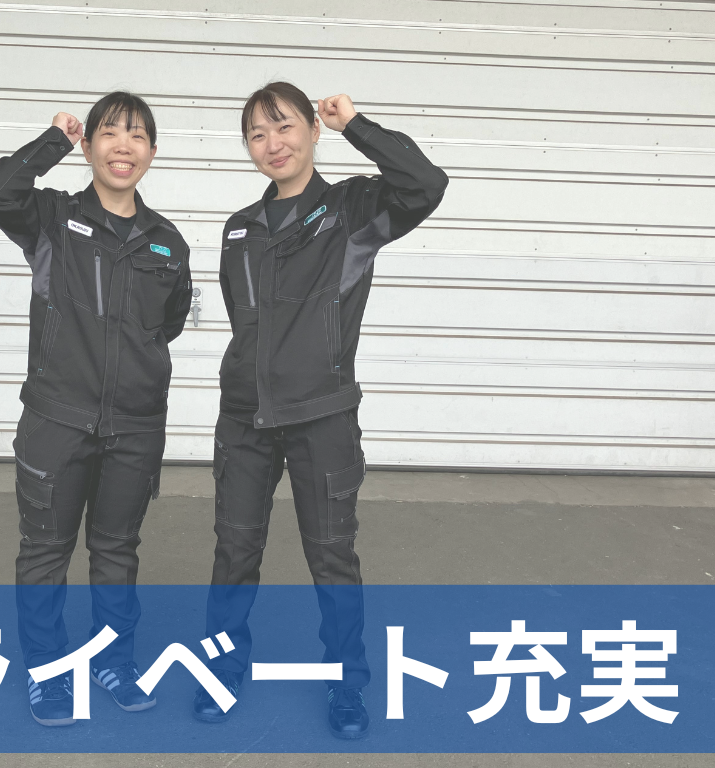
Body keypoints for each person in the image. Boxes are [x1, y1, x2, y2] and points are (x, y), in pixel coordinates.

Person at [193, 82, 449, 739]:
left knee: (333, 558)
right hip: (245, 419)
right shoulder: (239, 228)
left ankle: (346, 683)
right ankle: (222, 670)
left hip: (322, 416)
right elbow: (246, 323)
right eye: (257, 134)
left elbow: (425, 183)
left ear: (311, 128)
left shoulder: (354, 209)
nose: (272, 143)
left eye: (284, 126)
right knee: (233, 552)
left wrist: (355, 124)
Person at [0, 93, 192, 726]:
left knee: (117, 550)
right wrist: (53, 140)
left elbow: (168, 324)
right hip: (56, 420)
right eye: (110, 133)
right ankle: (47, 672)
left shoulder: (167, 243)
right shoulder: (50, 218)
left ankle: (113, 661)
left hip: (134, 427)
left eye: (137, 136)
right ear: (90, 146)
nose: (124, 146)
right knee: (45, 551)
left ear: (152, 152)